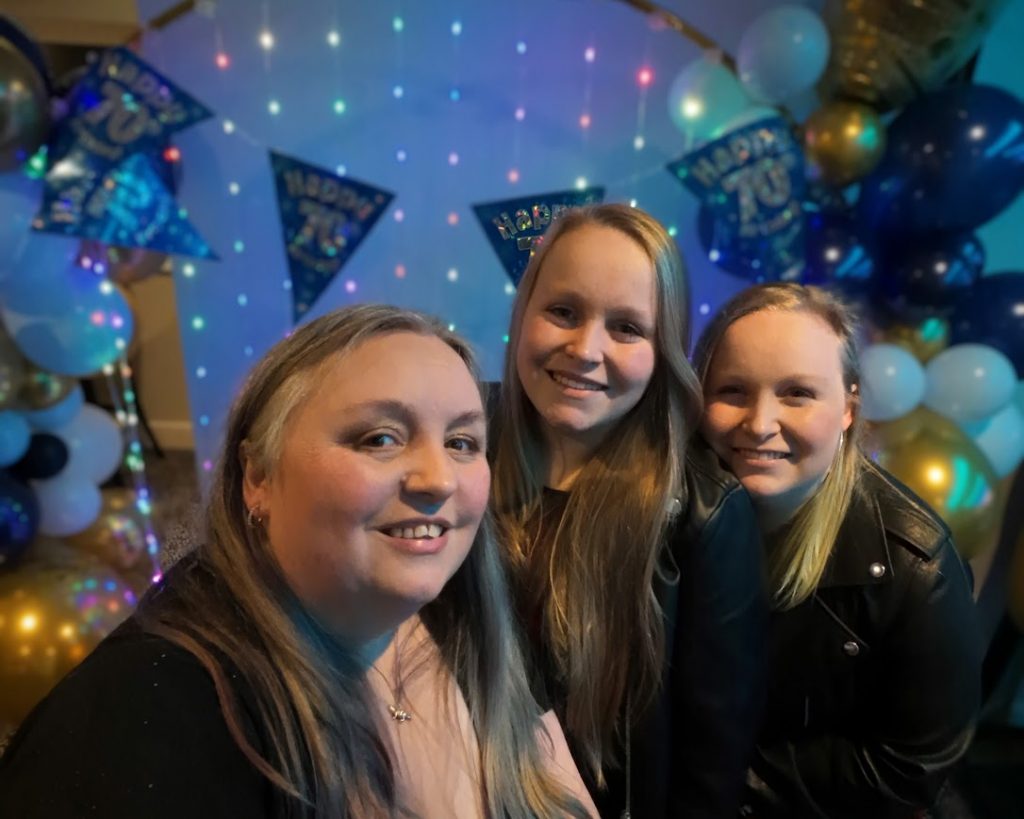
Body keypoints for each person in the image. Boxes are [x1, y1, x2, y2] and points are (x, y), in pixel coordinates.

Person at [0, 304, 596, 818]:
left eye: (462, 443)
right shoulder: (141, 721)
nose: (439, 478)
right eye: (380, 438)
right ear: (258, 476)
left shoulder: (470, 615)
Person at [491, 203, 768, 818]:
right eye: (563, 312)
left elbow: (711, 762)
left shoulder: (705, 514)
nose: (585, 349)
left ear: (662, 349)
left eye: (626, 328)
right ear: (524, 312)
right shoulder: (461, 448)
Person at [693, 283, 981, 818]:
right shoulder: (671, 511)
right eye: (732, 390)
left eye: (797, 393)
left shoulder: (918, 565)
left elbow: (907, 769)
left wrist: (715, 779)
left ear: (849, 407)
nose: (759, 424)